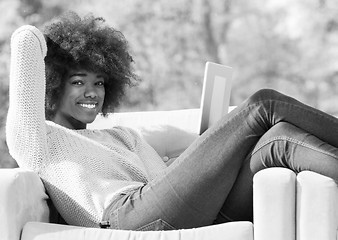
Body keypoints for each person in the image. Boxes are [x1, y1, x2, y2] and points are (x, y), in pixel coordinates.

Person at [6, 11, 338, 231]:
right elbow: (24, 41)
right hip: (127, 217)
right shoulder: (40, 140)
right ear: (52, 83)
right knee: (263, 105)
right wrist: (52, 44)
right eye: (78, 81)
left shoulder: (123, 136)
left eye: (100, 82)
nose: (92, 92)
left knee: (276, 140)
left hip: (164, 206)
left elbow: (165, 182)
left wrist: (211, 154)